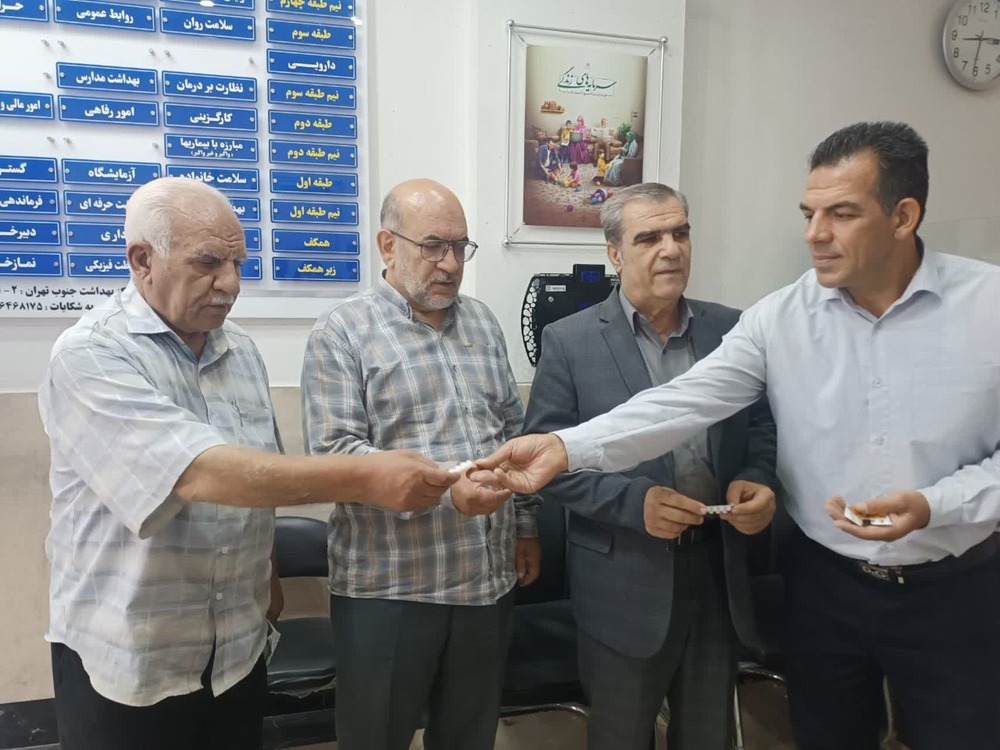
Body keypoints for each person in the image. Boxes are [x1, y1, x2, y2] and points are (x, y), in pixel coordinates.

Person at [476, 121, 1000, 750]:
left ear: (903, 216)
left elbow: (757, 434)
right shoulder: (780, 319)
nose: (814, 234)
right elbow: (682, 402)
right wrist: (564, 449)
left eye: (841, 214)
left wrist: (935, 504)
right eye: (808, 214)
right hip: (826, 587)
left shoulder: (987, 307)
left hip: (954, 588)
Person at [38, 176, 459, 750]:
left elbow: (260, 472)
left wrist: (268, 575)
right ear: (142, 260)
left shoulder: (239, 351)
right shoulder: (90, 353)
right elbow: (198, 473)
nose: (231, 283)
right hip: (131, 655)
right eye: (208, 263)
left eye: (238, 263)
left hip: (236, 651)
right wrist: (369, 475)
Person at [522, 182, 779, 750]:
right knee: (621, 735)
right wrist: (633, 503)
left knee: (708, 734)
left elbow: (762, 425)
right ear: (615, 253)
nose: (671, 249)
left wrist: (757, 477)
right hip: (624, 577)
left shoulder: (732, 330)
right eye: (650, 238)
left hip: (717, 569)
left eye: (680, 233)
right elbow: (549, 462)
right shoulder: (570, 342)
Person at [301, 178, 541, 750]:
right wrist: (450, 490)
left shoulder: (481, 322)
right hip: (392, 589)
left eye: (460, 246)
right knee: (376, 737)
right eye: (433, 246)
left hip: (486, 583)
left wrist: (526, 524)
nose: (451, 264)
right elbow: (336, 454)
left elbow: (513, 430)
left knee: (469, 737)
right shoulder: (342, 332)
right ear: (388, 245)